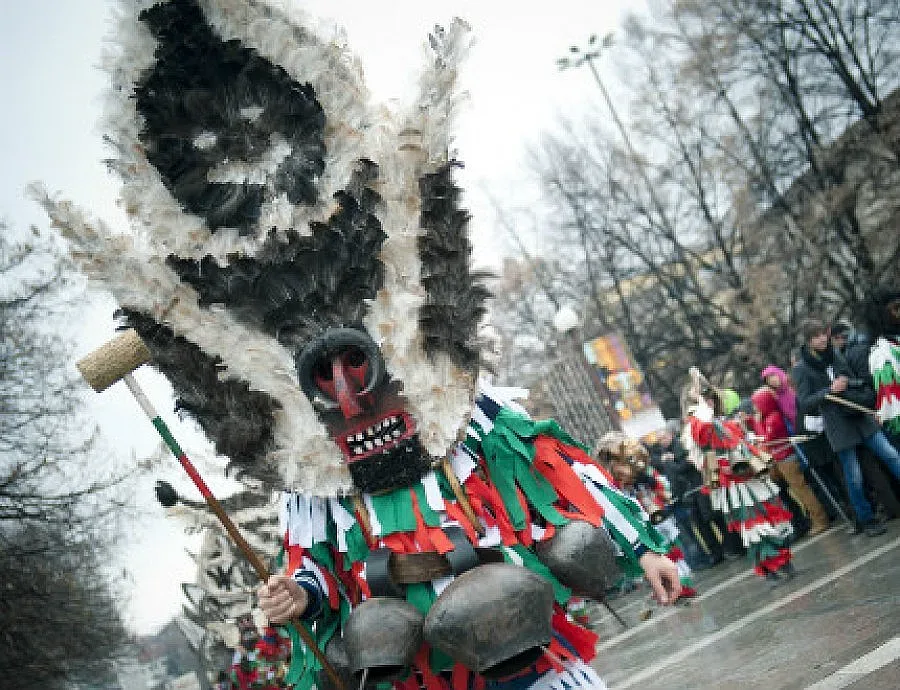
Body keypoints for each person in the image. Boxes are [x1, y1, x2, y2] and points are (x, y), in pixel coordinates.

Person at [49, 3, 682, 688]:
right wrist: (299, 594)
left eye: (358, 366)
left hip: (526, 637)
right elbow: (314, 567)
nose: (349, 392)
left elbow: (558, 472)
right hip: (420, 668)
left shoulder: (464, 412)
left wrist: (642, 548)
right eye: (327, 377)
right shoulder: (310, 472)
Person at [681, 368, 794, 583]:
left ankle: (784, 560)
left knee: (776, 519)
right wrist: (698, 401)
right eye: (706, 399)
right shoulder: (696, 426)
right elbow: (703, 444)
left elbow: (742, 439)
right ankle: (769, 570)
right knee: (755, 528)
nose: (710, 402)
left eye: (711, 398)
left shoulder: (726, 421)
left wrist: (752, 442)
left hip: (753, 477)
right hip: (735, 487)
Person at [792, 317, 900, 536]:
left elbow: (852, 379)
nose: (822, 340)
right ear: (809, 341)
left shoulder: (835, 353)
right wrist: (829, 391)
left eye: (823, 334)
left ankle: (868, 517)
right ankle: (866, 519)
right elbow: (804, 402)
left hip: (858, 413)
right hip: (837, 425)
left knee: (891, 455)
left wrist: (849, 385)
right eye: (816, 337)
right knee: (854, 475)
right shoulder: (802, 368)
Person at [596, 432, 698, 598]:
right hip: (638, 523)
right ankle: (669, 587)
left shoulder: (641, 467)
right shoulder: (606, 480)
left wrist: (646, 482)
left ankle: (681, 584)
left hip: (655, 514)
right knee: (656, 555)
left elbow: (659, 484)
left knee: (671, 549)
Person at [750, 381, 830, 536]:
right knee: (799, 491)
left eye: (756, 404)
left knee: (802, 491)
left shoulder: (772, 418)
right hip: (781, 458)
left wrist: (758, 426)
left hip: (786, 458)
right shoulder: (769, 417)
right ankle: (816, 519)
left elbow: (768, 439)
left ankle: (820, 519)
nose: (755, 408)